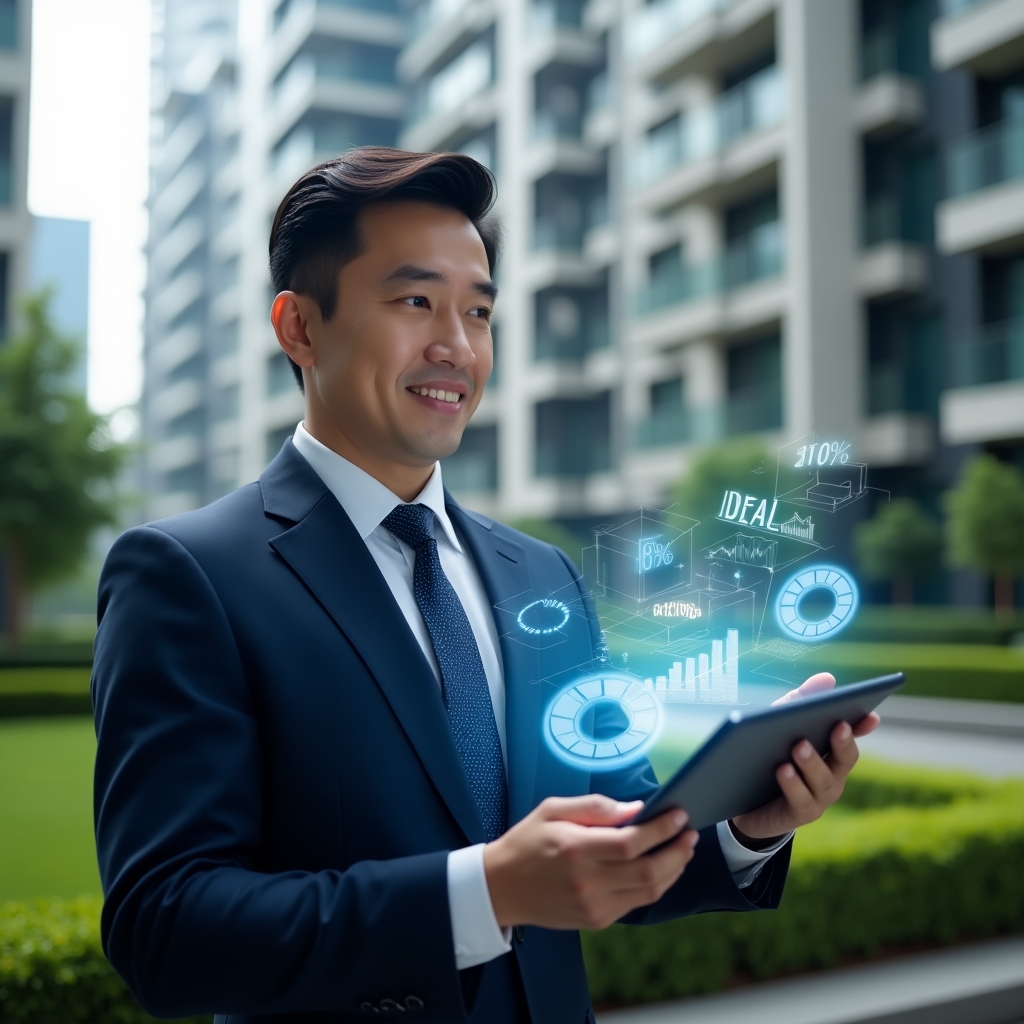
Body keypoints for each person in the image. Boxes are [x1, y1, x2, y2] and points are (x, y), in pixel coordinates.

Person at [92, 148, 879, 1024]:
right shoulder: (188, 574)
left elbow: (616, 841)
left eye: (479, 310)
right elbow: (164, 930)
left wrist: (746, 825)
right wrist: (485, 892)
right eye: (414, 301)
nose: (456, 347)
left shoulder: (539, 573)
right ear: (300, 328)